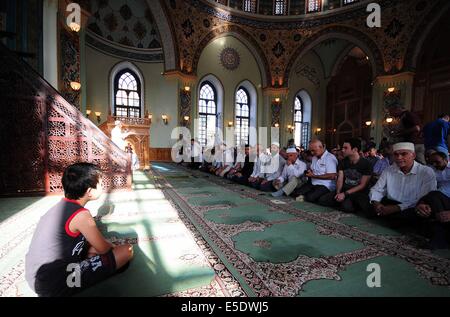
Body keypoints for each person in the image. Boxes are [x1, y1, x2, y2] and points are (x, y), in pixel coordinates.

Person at [25, 163, 134, 297]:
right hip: (56, 284)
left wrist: (90, 249)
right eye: (100, 183)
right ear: (89, 191)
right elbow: (105, 249)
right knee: (126, 251)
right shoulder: (82, 215)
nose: (102, 186)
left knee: (92, 249)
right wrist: (112, 247)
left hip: (35, 277)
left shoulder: (60, 207)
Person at [369, 142, 436, 219]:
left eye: (404, 154)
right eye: (396, 154)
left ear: (413, 155)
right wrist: (376, 203)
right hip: (390, 202)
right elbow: (377, 189)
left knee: (415, 213)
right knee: (369, 204)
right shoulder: (389, 170)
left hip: (412, 206)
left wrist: (397, 208)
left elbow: (425, 198)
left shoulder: (426, 172)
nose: (399, 158)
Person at [318, 138, 371, 213]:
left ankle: (348, 203)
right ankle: (343, 201)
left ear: (355, 149)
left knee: (347, 207)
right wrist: (338, 192)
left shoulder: (366, 164)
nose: (342, 150)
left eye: (345, 148)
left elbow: (362, 185)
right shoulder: (343, 162)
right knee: (322, 200)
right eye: (343, 148)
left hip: (357, 192)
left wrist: (345, 194)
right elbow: (340, 179)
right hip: (344, 190)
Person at [415, 151, 450, 248]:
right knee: (425, 202)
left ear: (446, 160)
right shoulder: (431, 169)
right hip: (438, 198)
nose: (435, 164)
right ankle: (440, 235)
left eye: (437, 162)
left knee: (433, 196)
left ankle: (439, 237)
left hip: (444, 198)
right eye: (432, 162)